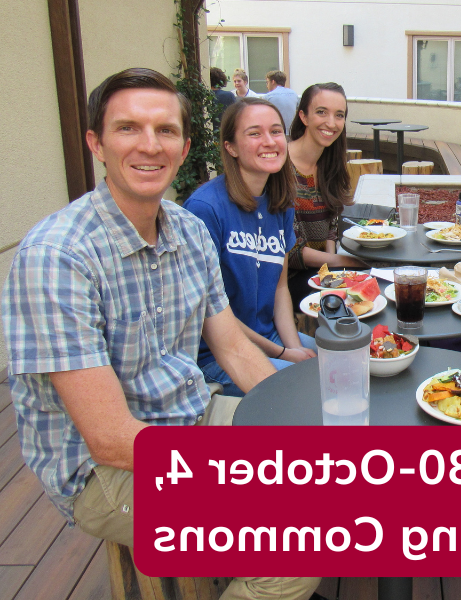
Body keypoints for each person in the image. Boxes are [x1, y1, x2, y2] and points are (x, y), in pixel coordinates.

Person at [1, 68, 320, 600]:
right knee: (293, 552)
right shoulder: (57, 257)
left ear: (185, 145)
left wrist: (287, 423)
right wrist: (238, 469)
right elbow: (107, 437)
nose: (150, 145)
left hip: (190, 416)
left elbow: (234, 347)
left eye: (165, 131)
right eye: (128, 128)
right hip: (103, 469)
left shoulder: (187, 230)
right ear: (96, 144)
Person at [184, 98, 317, 396]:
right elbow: (210, 313)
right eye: (254, 133)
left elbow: (280, 288)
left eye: (275, 131)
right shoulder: (205, 209)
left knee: (348, 363)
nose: (269, 141)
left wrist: (293, 347)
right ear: (230, 147)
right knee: (310, 391)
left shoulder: (279, 202)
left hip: (273, 337)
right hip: (220, 355)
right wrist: (284, 355)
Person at [285, 82, 366, 309]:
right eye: (321, 112)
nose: (331, 123)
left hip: (321, 271)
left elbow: (332, 227)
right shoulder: (281, 168)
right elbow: (290, 251)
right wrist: (343, 262)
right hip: (288, 281)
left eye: (339, 115)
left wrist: (334, 268)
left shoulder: (329, 164)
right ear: (303, 116)